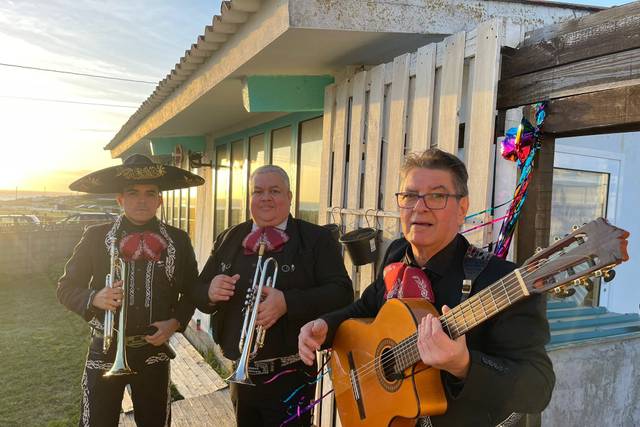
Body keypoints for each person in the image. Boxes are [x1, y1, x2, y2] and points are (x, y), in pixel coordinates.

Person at [298, 148, 555, 427]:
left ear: (462, 208)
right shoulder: (398, 254)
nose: (420, 207)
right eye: (409, 196)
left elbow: (537, 388)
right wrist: (326, 325)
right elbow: (367, 306)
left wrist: (463, 365)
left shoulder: (503, 280)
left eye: (437, 196)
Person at [192, 164, 353, 427]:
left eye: (274, 191)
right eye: (258, 191)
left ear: (289, 197)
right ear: (249, 199)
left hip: (292, 376)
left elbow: (342, 294)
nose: (265, 197)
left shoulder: (316, 239)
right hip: (242, 376)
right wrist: (210, 291)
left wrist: (287, 302)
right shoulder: (230, 238)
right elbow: (198, 293)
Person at [57, 154, 204, 427]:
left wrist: (174, 323)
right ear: (120, 199)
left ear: (160, 200)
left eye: (150, 193)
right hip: (105, 349)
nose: (142, 200)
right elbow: (65, 288)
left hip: (153, 352)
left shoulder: (179, 240)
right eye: (132, 193)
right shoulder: (95, 236)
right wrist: (94, 297)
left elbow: (193, 291)